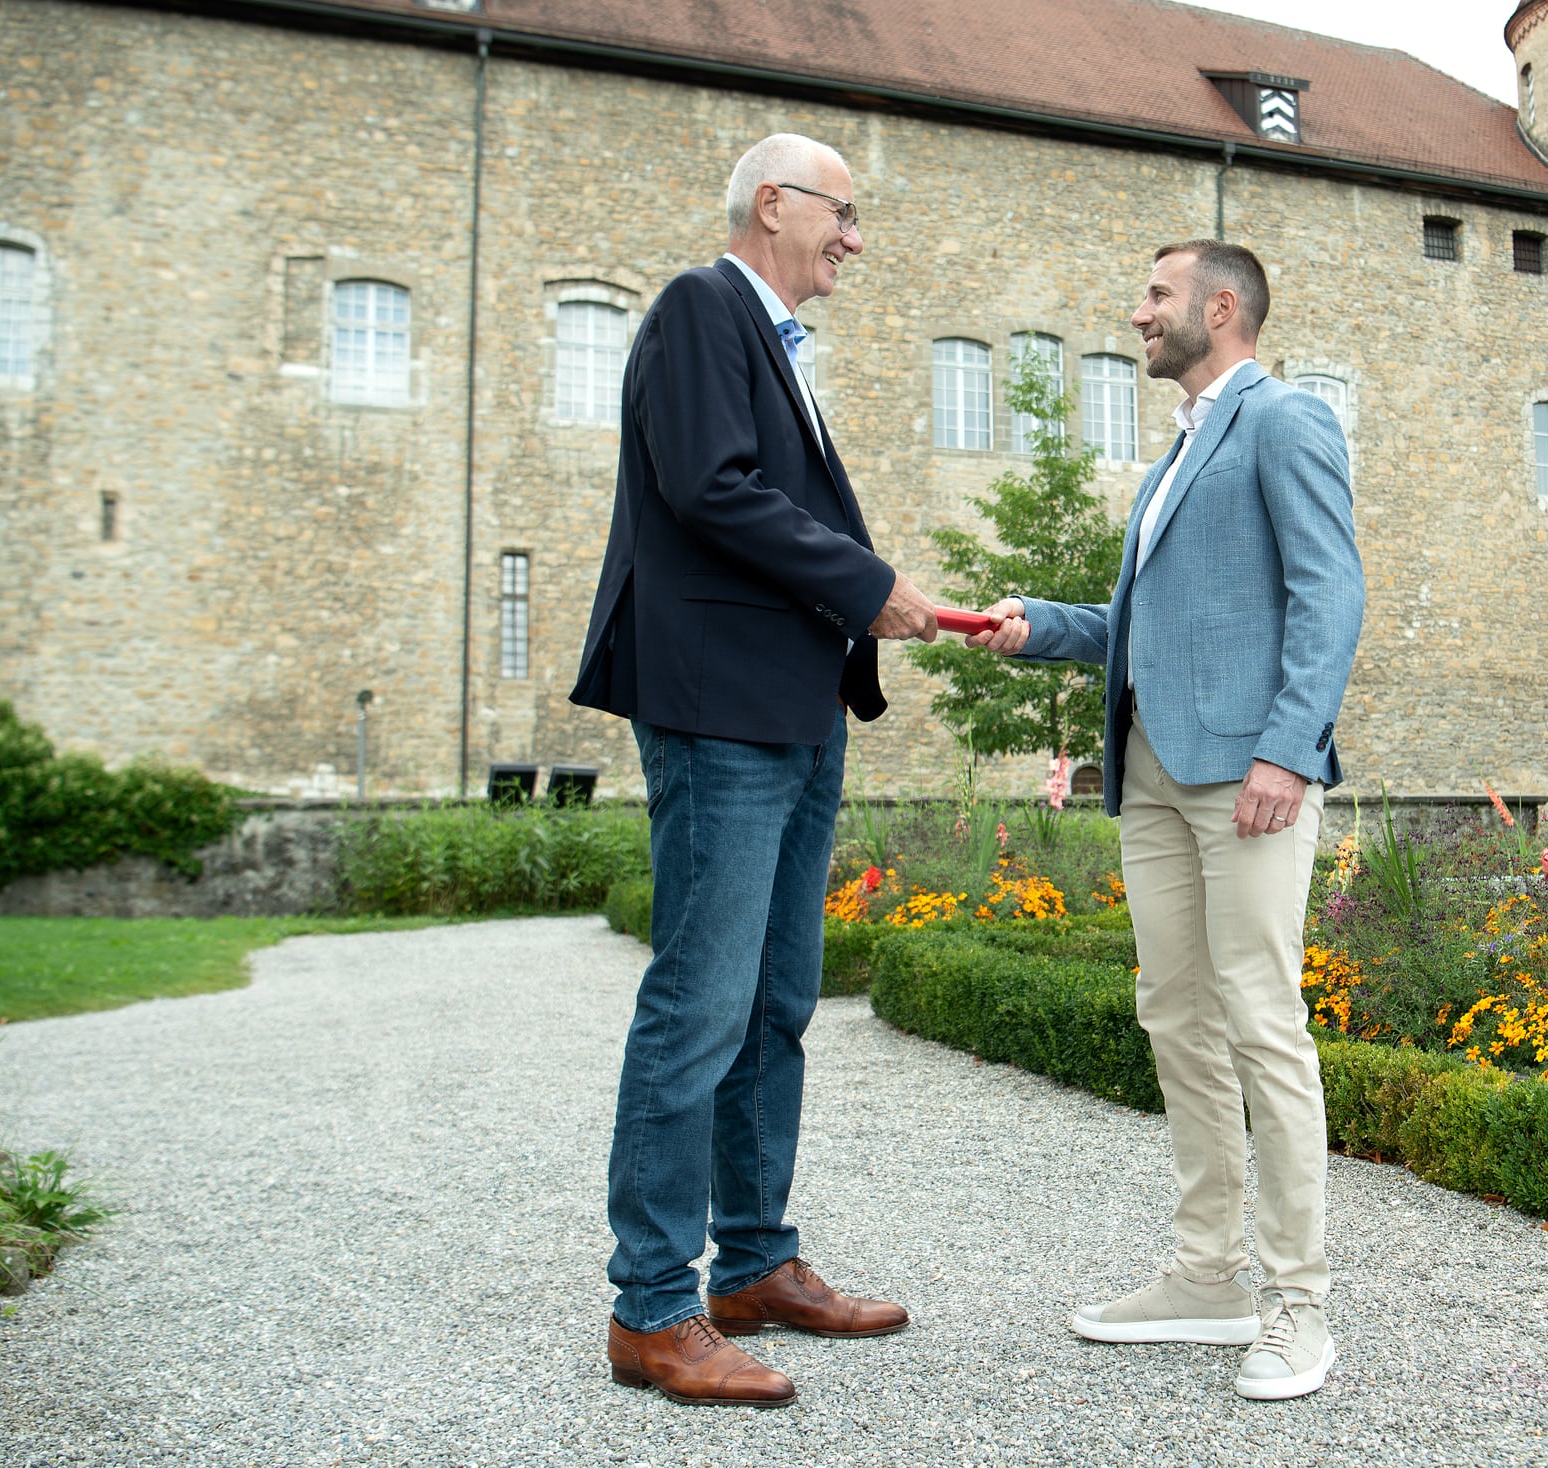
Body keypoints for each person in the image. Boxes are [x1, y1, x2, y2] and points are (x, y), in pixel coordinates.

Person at [569, 132, 938, 1409]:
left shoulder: (774, 342)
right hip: (717, 706)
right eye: (844, 213)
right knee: (700, 999)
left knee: (776, 999)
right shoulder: (699, 307)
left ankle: (753, 1264)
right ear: (772, 203)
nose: (855, 239)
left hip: (792, 703)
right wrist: (868, 582)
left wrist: (852, 608)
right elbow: (711, 490)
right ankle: (651, 1306)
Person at [969, 240, 1363, 1402]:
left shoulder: (1283, 420)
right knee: (1176, 1017)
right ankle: (1206, 1275)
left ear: (1220, 306)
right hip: (1149, 773)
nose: (1138, 312)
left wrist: (1288, 747)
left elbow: (1330, 591)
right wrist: (1040, 625)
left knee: (1260, 1021)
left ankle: (1297, 1303)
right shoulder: (1176, 455)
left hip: (1248, 773)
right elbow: (1153, 627)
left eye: (1156, 294)